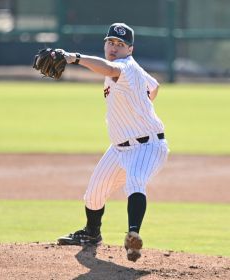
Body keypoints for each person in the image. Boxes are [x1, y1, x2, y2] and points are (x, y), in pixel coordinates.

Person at [56, 23, 169, 262]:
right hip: (118, 148)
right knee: (93, 195)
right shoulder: (133, 70)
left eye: (120, 44)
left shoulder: (125, 67)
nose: (114, 47)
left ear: (130, 49)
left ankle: (133, 235)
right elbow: (155, 86)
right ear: (105, 44)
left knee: (135, 182)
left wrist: (73, 57)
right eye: (111, 43)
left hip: (147, 146)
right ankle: (91, 234)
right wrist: (142, 102)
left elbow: (107, 68)